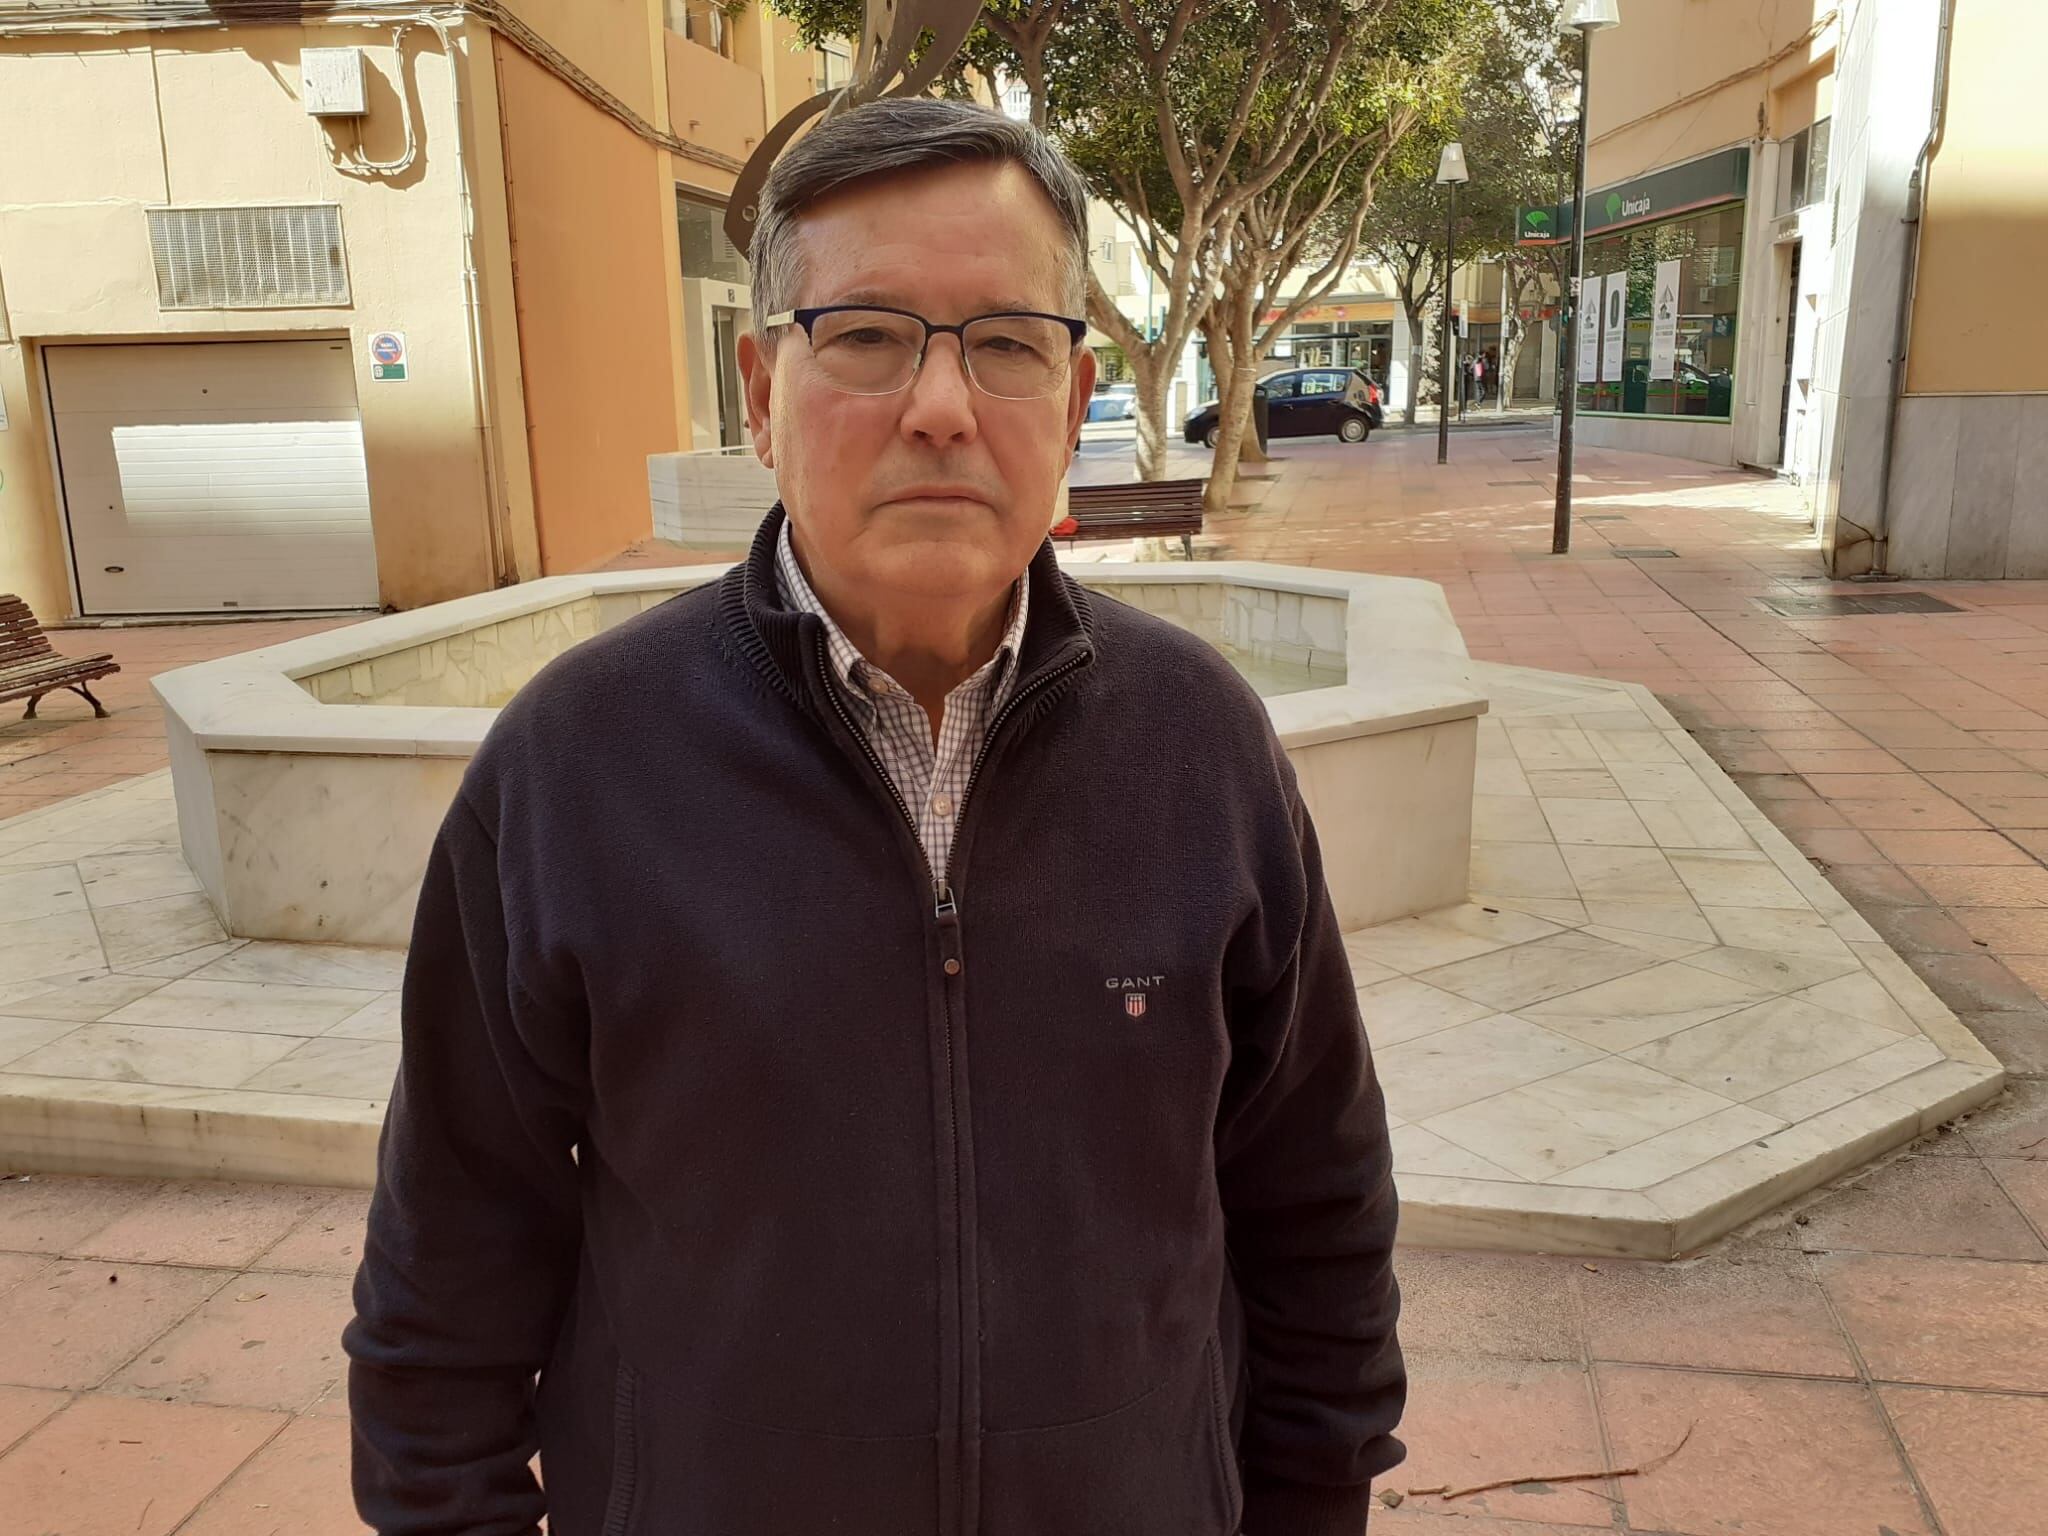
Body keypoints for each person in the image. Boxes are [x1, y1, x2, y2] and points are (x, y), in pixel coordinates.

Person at [344, 97, 1405, 1536]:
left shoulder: (1202, 747)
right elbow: (446, 1270)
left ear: (1074, 386)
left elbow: (1316, 1210)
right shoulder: (576, 764)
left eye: (1007, 342)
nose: (942, 404)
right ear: (760, 389)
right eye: (866, 333)